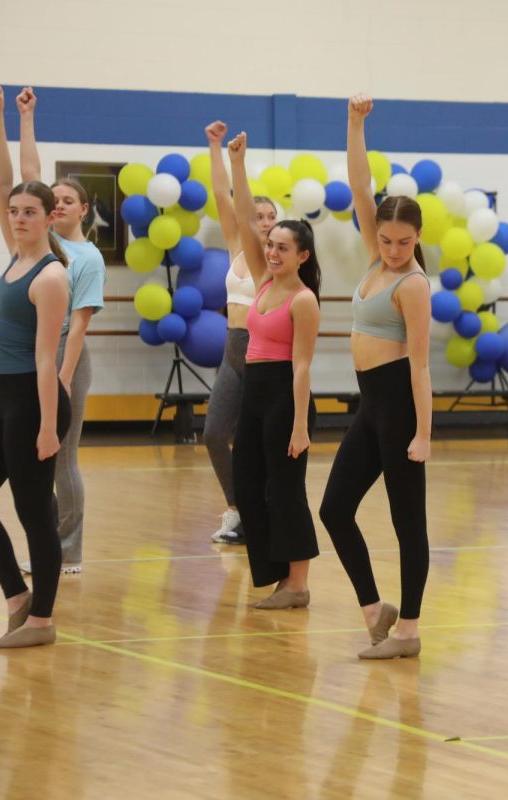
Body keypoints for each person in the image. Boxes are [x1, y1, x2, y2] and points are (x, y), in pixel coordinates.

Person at [0, 84, 71, 648]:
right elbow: (6, 179)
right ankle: (16, 596)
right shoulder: (16, 253)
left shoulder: (49, 274)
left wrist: (49, 426)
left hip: (34, 399)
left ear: (49, 217)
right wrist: (1, 117)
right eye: (15, 213)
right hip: (3, 398)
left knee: (33, 512)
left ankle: (43, 620)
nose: (19, 217)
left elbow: (47, 358)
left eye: (30, 212)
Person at [318, 94, 432, 659]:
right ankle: (373, 609)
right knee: (334, 508)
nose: (392, 249)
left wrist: (424, 434)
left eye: (403, 242)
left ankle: (408, 630)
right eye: (385, 240)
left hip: (401, 410)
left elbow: (420, 365)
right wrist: (354, 124)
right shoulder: (374, 258)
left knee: (408, 521)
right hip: (370, 406)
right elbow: (362, 188)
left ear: (417, 238)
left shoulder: (412, 285)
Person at [226, 131, 322, 609]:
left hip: (286, 396)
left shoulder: (304, 301)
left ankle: (298, 583)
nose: (273, 251)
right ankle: (276, 574)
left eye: (284, 247)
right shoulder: (263, 281)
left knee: (285, 489)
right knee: (247, 485)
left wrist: (301, 425)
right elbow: (246, 219)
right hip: (255, 394)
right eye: (272, 244)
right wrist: (237, 165)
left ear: (302, 256)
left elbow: (302, 366)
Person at [16, 87, 106, 575]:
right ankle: (46, 545)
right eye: (56, 200)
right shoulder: (43, 246)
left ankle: (68, 551)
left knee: (63, 458)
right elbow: (30, 178)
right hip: (35, 355)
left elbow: (80, 326)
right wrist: (27, 119)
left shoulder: (86, 257)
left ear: (84, 210)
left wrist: (64, 377)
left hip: (69, 360)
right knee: (36, 457)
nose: (60, 206)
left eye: (69, 201)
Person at [202, 120, 281, 545]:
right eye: (259, 215)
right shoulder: (237, 244)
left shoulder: (277, 260)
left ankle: (263, 514)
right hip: (232, 350)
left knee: (259, 443)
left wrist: (241, 164)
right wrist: (215, 148)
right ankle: (237, 509)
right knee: (214, 433)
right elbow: (222, 196)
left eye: (271, 217)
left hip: (262, 352)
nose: (265, 222)